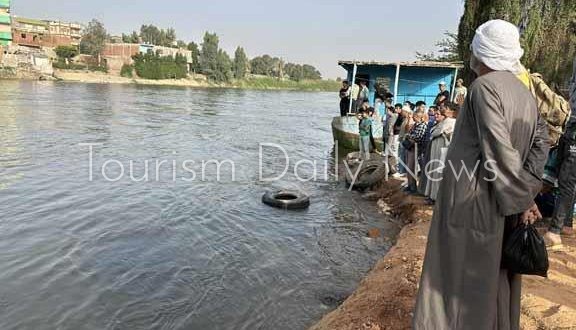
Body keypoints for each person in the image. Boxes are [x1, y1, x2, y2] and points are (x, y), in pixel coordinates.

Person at [413, 19, 549, 330]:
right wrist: (526, 193)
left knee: (459, 283)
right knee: (495, 279)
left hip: (473, 205)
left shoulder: (482, 88)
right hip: (507, 202)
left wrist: (521, 199)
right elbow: (540, 145)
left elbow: (498, 149)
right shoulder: (526, 94)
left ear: (481, 51)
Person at [544, 58, 576, 248]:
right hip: (570, 126)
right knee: (555, 173)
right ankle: (565, 224)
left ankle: (555, 231)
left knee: (567, 180)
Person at [423, 106, 457, 204]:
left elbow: (437, 132)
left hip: (443, 150)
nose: (436, 115)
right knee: (433, 171)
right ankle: (432, 195)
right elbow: (433, 132)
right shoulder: (440, 123)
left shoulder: (451, 121)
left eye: (445, 108)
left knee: (439, 173)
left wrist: (440, 132)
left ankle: (437, 198)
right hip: (436, 149)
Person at [404, 110, 427, 193]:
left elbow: (417, 138)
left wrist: (409, 136)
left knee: (412, 168)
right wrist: (410, 136)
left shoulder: (423, 126)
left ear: (418, 117)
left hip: (416, 148)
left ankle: (413, 187)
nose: (412, 117)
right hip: (410, 147)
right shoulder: (415, 125)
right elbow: (410, 134)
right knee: (409, 167)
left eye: (414, 116)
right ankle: (410, 185)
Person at [384, 104, 401, 174]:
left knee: (391, 150)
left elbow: (393, 126)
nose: (387, 112)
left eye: (388, 110)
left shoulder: (395, 115)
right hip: (390, 134)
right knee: (389, 150)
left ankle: (393, 168)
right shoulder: (391, 116)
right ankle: (389, 167)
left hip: (393, 134)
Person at [397, 105, 413, 175]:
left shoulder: (410, 120)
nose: (401, 112)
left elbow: (408, 130)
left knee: (402, 155)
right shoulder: (404, 119)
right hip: (402, 139)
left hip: (404, 140)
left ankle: (401, 171)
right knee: (401, 155)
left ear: (406, 112)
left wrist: (409, 119)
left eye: (403, 111)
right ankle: (402, 170)